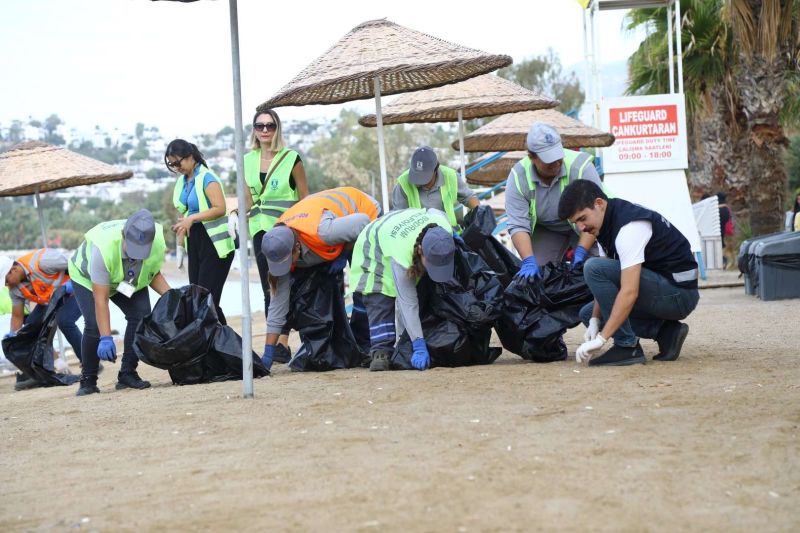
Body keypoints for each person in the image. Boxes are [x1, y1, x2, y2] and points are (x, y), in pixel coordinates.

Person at [557, 180, 700, 366]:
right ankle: (666, 333)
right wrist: (593, 321)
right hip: (662, 288)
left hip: (679, 294)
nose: (581, 228)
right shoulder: (605, 224)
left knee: (593, 267)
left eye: (583, 218)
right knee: (587, 313)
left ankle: (627, 347)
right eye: (575, 222)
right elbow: (607, 282)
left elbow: (629, 291)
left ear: (599, 204)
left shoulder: (629, 227)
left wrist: (602, 339)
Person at [259, 187, 380, 370]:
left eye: (287, 261)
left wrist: (343, 253)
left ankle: (366, 345)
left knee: (363, 287)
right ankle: (346, 344)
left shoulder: (323, 232)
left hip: (365, 212)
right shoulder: (277, 243)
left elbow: (363, 222)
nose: (284, 269)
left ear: (297, 248)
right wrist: (268, 351)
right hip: (332, 220)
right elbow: (278, 303)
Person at [68, 209, 171, 395]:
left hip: (125, 280)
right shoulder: (104, 249)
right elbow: (101, 299)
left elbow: (153, 273)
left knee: (141, 314)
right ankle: (88, 380)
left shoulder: (155, 241)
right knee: (93, 325)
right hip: (87, 277)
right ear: (123, 235)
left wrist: (173, 298)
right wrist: (106, 337)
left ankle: (127, 374)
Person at [349, 208, 456, 372]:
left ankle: (406, 339)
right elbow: (407, 303)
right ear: (420, 250)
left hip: (398, 229)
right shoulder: (402, 254)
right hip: (374, 245)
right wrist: (419, 344)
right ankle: (381, 351)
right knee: (380, 298)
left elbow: (435, 211)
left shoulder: (444, 229)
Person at [244, 108, 309, 359]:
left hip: (286, 230)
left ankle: (283, 338)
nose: (264, 131)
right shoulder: (247, 160)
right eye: (259, 126)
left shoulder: (292, 158)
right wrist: (233, 215)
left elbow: (305, 197)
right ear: (253, 130)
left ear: (277, 128)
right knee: (268, 286)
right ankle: (278, 341)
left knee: (290, 283)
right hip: (260, 230)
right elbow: (248, 199)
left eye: (269, 126)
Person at [505, 122, 606, 279]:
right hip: (547, 228)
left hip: (586, 226)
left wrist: (581, 251)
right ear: (532, 157)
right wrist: (529, 261)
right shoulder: (518, 177)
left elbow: (595, 215)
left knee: (595, 269)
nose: (556, 163)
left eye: (558, 156)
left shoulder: (580, 168)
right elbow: (518, 224)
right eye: (549, 160)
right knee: (538, 275)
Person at [166, 139, 235, 324]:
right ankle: (220, 343)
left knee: (207, 300)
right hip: (195, 241)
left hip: (215, 244)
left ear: (190, 157)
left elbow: (220, 208)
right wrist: (179, 247)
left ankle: (224, 345)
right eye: (171, 164)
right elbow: (184, 217)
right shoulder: (183, 181)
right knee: (198, 298)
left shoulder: (207, 177)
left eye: (177, 162)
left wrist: (192, 218)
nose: (176, 167)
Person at [2, 249, 82, 362]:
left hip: (77, 291)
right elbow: (17, 316)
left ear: (14, 269)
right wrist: (14, 335)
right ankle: (52, 365)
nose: (6, 285)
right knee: (31, 326)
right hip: (52, 300)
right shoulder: (14, 289)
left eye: (6, 280)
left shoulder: (45, 261)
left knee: (65, 321)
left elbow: (79, 265)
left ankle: (89, 363)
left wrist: (73, 283)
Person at [392, 146, 480, 230]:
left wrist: (480, 214)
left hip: (449, 234)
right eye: (416, 175)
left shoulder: (451, 176)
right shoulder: (403, 184)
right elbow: (399, 218)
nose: (418, 181)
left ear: (436, 170)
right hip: (417, 239)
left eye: (423, 177)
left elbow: (469, 197)